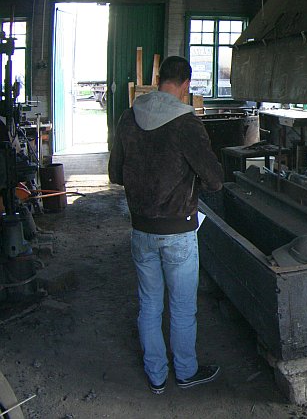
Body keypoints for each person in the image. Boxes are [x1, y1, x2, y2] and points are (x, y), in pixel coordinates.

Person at [108, 55, 224, 394]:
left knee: (148, 304)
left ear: (159, 80)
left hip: (141, 230)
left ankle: (156, 376)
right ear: (186, 86)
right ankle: (185, 372)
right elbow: (215, 180)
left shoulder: (129, 117)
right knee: (183, 307)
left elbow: (116, 174)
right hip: (179, 233)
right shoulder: (187, 124)